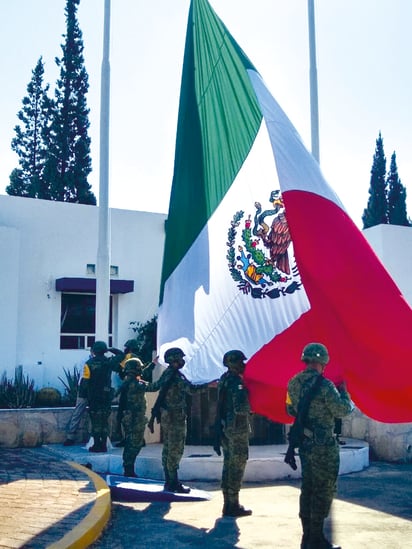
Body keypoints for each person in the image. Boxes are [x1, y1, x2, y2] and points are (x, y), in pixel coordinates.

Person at [286, 342, 353, 549]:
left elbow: (289, 410)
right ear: (323, 362)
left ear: (306, 360)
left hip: (305, 444)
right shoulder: (325, 386)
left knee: (308, 488)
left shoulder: (293, 383)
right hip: (324, 446)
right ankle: (316, 539)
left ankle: (307, 535)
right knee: (324, 489)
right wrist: (345, 394)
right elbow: (342, 410)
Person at [145, 347, 209, 493]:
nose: (183, 360)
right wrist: (208, 385)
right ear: (174, 360)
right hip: (175, 417)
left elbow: (155, 386)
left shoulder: (168, 374)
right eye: (180, 358)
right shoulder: (175, 376)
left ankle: (169, 480)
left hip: (168, 415)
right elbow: (191, 389)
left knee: (168, 448)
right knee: (175, 448)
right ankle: (173, 482)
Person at [214, 350, 252, 518]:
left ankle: (227, 503)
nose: (243, 365)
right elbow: (240, 408)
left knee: (228, 464)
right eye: (240, 362)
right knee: (237, 465)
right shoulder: (237, 382)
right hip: (236, 429)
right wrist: (253, 405)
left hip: (225, 427)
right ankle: (233, 504)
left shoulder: (224, 379)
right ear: (232, 363)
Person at [112, 339, 156, 447]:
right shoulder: (138, 358)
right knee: (137, 417)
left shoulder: (129, 356)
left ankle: (127, 439)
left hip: (128, 389)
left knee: (124, 416)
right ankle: (139, 440)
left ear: (129, 347)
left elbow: (119, 368)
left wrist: (117, 355)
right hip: (137, 391)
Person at [81, 340, 121, 453]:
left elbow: (85, 382)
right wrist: (111, 349)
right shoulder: (109, 362)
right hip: (106, 395)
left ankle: (97, 445)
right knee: (104, 420)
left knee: (95, 421)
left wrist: (83, 395)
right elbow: (121, 355)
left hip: (94, 396)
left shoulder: (89, 363)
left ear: (94, 350)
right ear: (103, 350)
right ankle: (103, 445)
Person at [117, 357, 150, 477]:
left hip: (131, 418)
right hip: (135, 419)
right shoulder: (136, 384)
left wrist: (152, 364)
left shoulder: (128, 382)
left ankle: (128, 468)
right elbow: (154, 386)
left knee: (132, 443)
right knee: (134, 444)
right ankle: (129, 469)